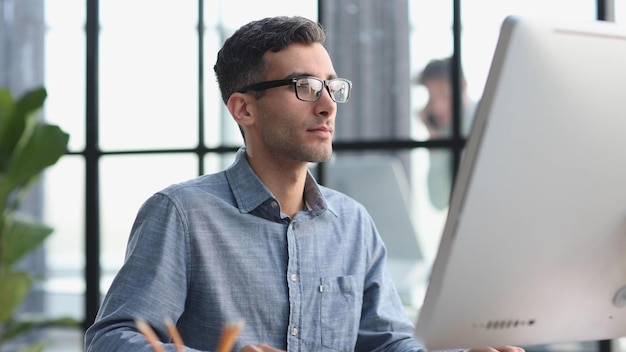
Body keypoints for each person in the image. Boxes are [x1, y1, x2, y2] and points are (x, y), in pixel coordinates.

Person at [84, 16, 523, 352]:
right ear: (243, 110)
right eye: (306, 86)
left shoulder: (352, 223)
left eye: (332, 87)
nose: (328, 105)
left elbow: (387, 343)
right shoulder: (181, 213)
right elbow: (111, 339)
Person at [416, 57, 476, 210]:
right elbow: (439, 200)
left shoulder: (487, 115)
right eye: (432, 97)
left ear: (463, 87)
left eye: (444, 94)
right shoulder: (445, 134)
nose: (437, 106)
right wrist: (435, 140)